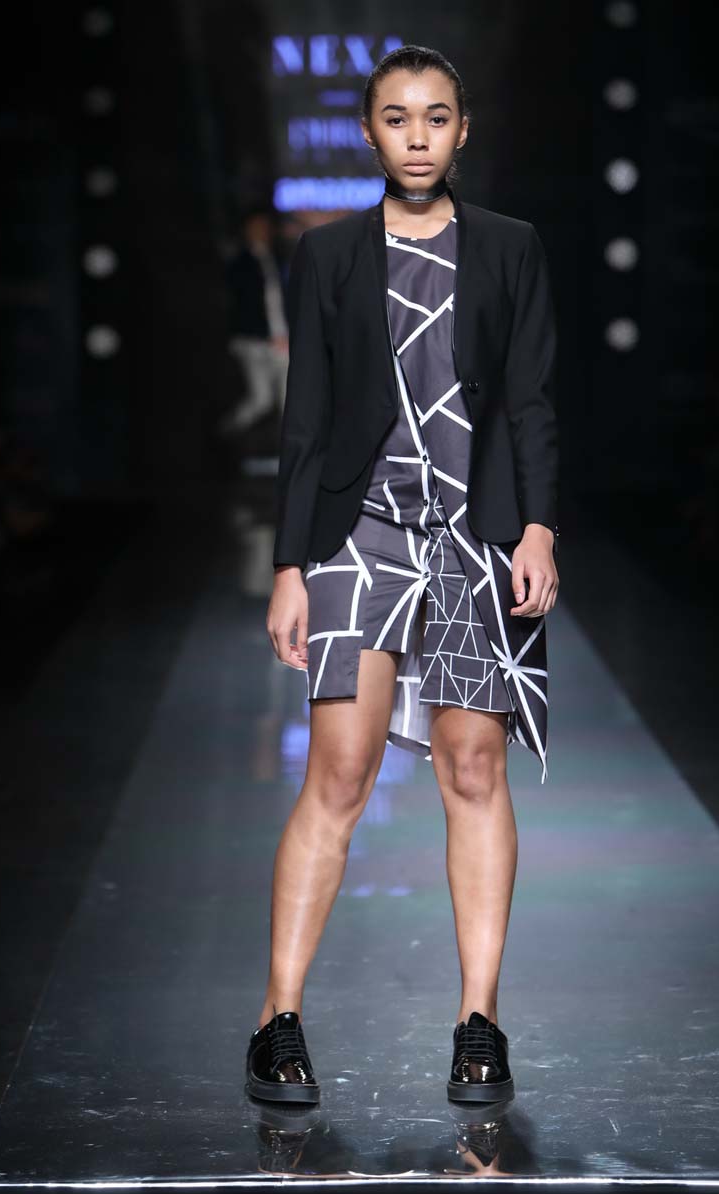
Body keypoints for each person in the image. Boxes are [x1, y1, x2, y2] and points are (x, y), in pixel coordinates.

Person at [247, 45, 560, 1107]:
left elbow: (530, 400)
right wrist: (289, 562)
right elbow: (305, 417)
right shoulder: (329, 254)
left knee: (472, 770)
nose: (416, 136)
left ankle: (480, 1025)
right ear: (368, 132)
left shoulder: (509, 248)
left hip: (479, 535)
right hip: (357, 534)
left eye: (435, 116)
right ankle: (277, 1020)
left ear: (461, 130)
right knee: (338, 774)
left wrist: (539, 528)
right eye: (396, 117)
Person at [221, 208, 289, 435]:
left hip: (281, 339)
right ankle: (226, 432)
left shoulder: (277, 259)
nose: (261, 231)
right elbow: (244, 304)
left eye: (265, 227)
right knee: (261, 399)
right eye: (256, 227)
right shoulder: (241, 263)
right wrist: (265, 335)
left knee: (289, 397)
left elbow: (281, 299)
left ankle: (291, 447)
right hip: (254, 340)